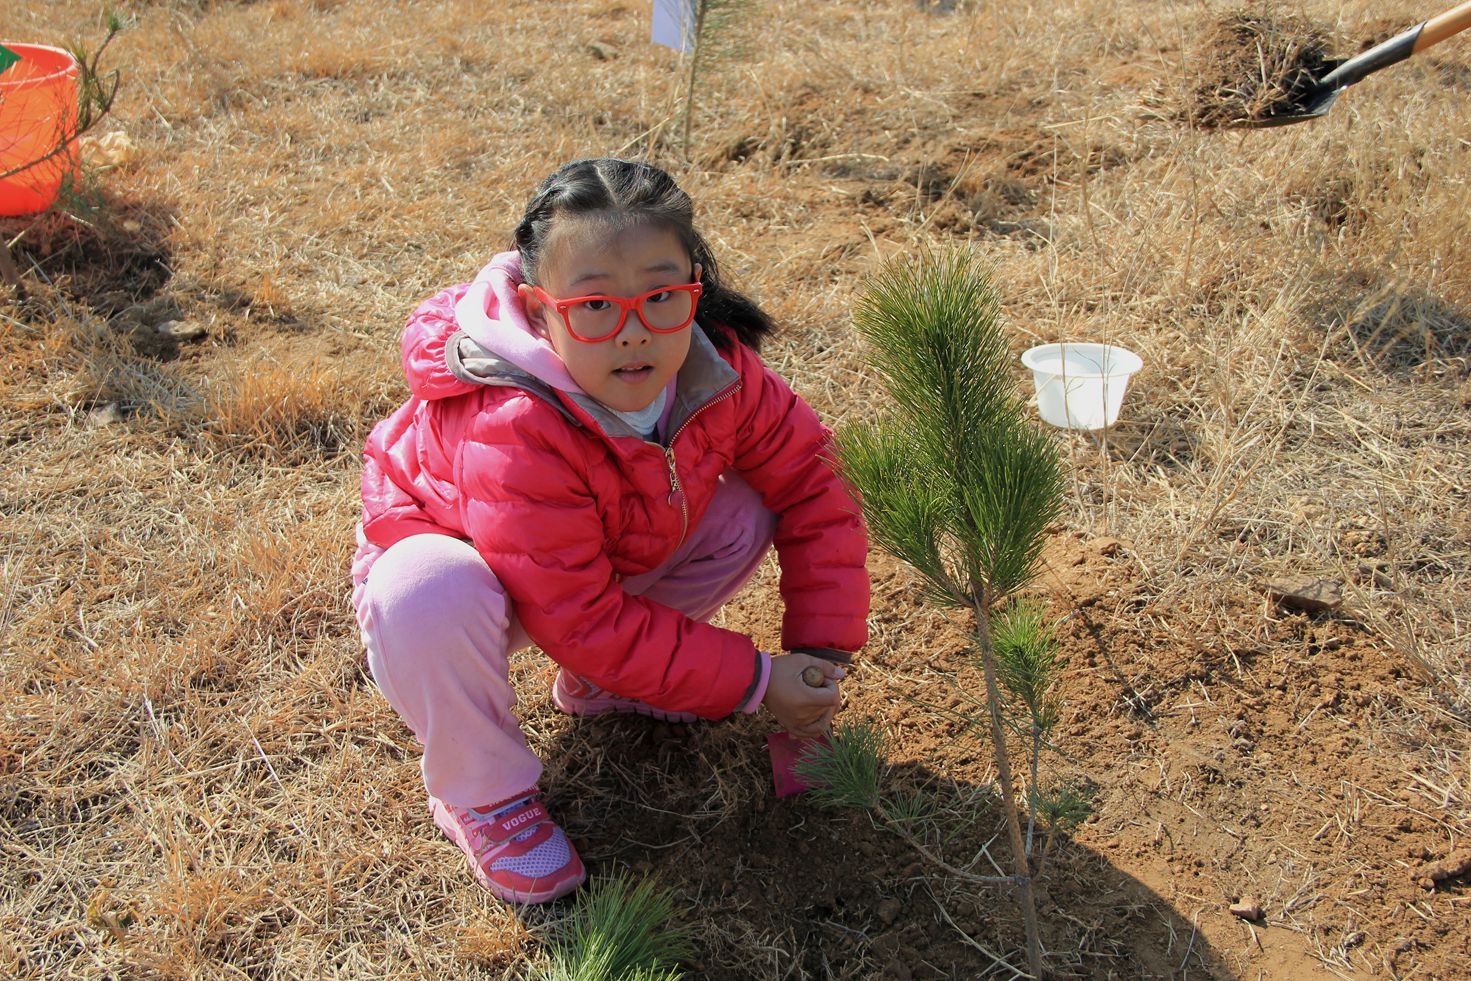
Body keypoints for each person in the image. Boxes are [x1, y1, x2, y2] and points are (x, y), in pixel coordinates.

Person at [351, 158, 870, 904]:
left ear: (694, 284)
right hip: (473, 586)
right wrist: (756, 681)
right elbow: (575, 614)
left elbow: (815, 486)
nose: (633, 335)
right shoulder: (514, 417)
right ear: (539, 308)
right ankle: (482, 792)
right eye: (594, 305)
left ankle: (604, 685)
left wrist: (818, 655)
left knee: (748, 505)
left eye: (661, 296)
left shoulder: (715, 368)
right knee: (425, 589)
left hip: (594, 556)